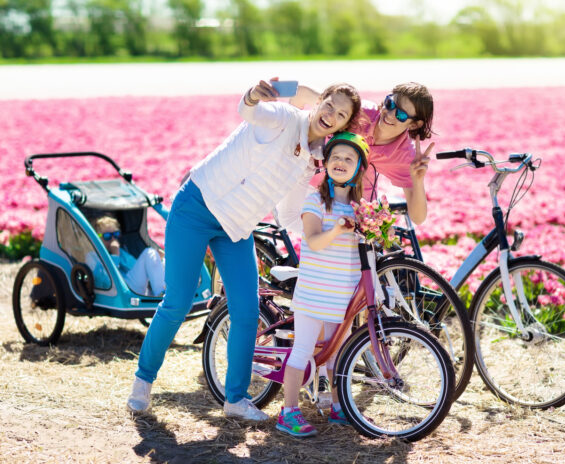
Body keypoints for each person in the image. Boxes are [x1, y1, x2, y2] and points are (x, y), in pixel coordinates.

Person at [127, 79, 362, 420]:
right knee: (177, 302)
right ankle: (142, 382)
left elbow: (289, 214)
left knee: (247, 310)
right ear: (319, 100)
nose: (332, 115)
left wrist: (334, 231)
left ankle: (235, 399)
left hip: (236, 228)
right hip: (197, 205)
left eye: (341, 115)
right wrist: (253, 95)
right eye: (330, 105)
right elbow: (249, 111)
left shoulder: (313, 160)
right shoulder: (285, 117)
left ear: (342, 125)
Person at [276, 132, 369, 438]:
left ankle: (339, 406)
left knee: (338, 354)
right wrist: (338, 230)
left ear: (358, 168)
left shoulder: (359, 208)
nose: (341, 163)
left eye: (349, 159)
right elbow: (314, 241)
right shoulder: (315, 200)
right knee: (302, 350)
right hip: (315, 293)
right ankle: (288, 411)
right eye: (335, 157)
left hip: (342, 296)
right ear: (326, 163)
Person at [281, 82, 434, 226]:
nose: (390, 114)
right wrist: (289, 139)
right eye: (390, 104)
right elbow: (301, 94)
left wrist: (418, 180)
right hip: (309, 183)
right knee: (306, 229)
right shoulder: (360, 112)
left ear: (414, 124)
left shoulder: (404, 155)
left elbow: (418, 218)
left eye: (401, 115)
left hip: (355, 206)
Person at [87, 215, 165, 296]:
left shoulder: (120, 251)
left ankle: (163, 293)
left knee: (160, 259)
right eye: (107, 236)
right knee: (148, 252)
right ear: (97, 237)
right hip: (119, 292)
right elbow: (104, 282)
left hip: (130, 285)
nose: (113, 239)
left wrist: (156, 261)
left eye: (116, 234)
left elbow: (134, 267)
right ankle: (161, 295)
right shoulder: (92, 256)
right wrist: (114, 256)